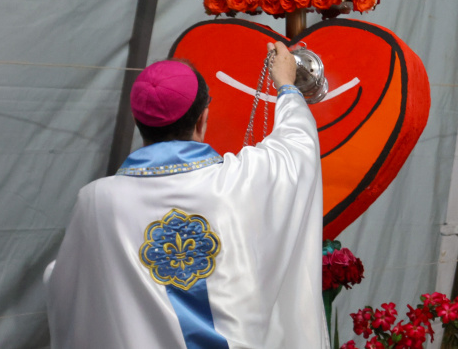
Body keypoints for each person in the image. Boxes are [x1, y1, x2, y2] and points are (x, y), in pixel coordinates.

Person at [44, 42, 329, 349]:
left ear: (139, 121)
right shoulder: (238, 181)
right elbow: (297, 147)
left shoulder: (98, 202)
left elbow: (65, 287)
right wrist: (287, 86)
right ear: (202, 117)